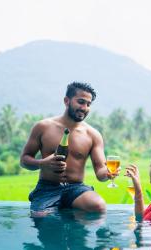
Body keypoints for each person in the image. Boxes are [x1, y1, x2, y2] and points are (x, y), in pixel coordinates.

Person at [20, 82, 114, 213]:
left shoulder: (93, 135)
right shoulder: (43, 127)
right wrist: (43, 163)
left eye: (88, 104)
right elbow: (24, 160)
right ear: (66, 101)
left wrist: (108, 174)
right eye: (81, 102)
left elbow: (100, 172)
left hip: (76, 189)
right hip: (47, 187)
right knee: (42, 218)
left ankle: (76, 233)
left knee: (98, 206)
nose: (84, 107)